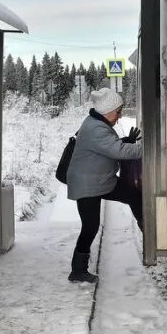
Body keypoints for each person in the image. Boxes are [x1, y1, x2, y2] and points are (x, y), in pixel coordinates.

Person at [65, 88, 142, 283]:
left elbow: (108, 147)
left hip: (100, 180)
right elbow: (117, 151)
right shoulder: (96, 128)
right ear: (107, 110)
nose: (120, 115)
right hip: (88, 183)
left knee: (134, 196)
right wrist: (148, 148)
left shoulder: (96, 123)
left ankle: (147, 231)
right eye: (118, 111)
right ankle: (78, 270)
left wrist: (127, 141)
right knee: (90, 227)